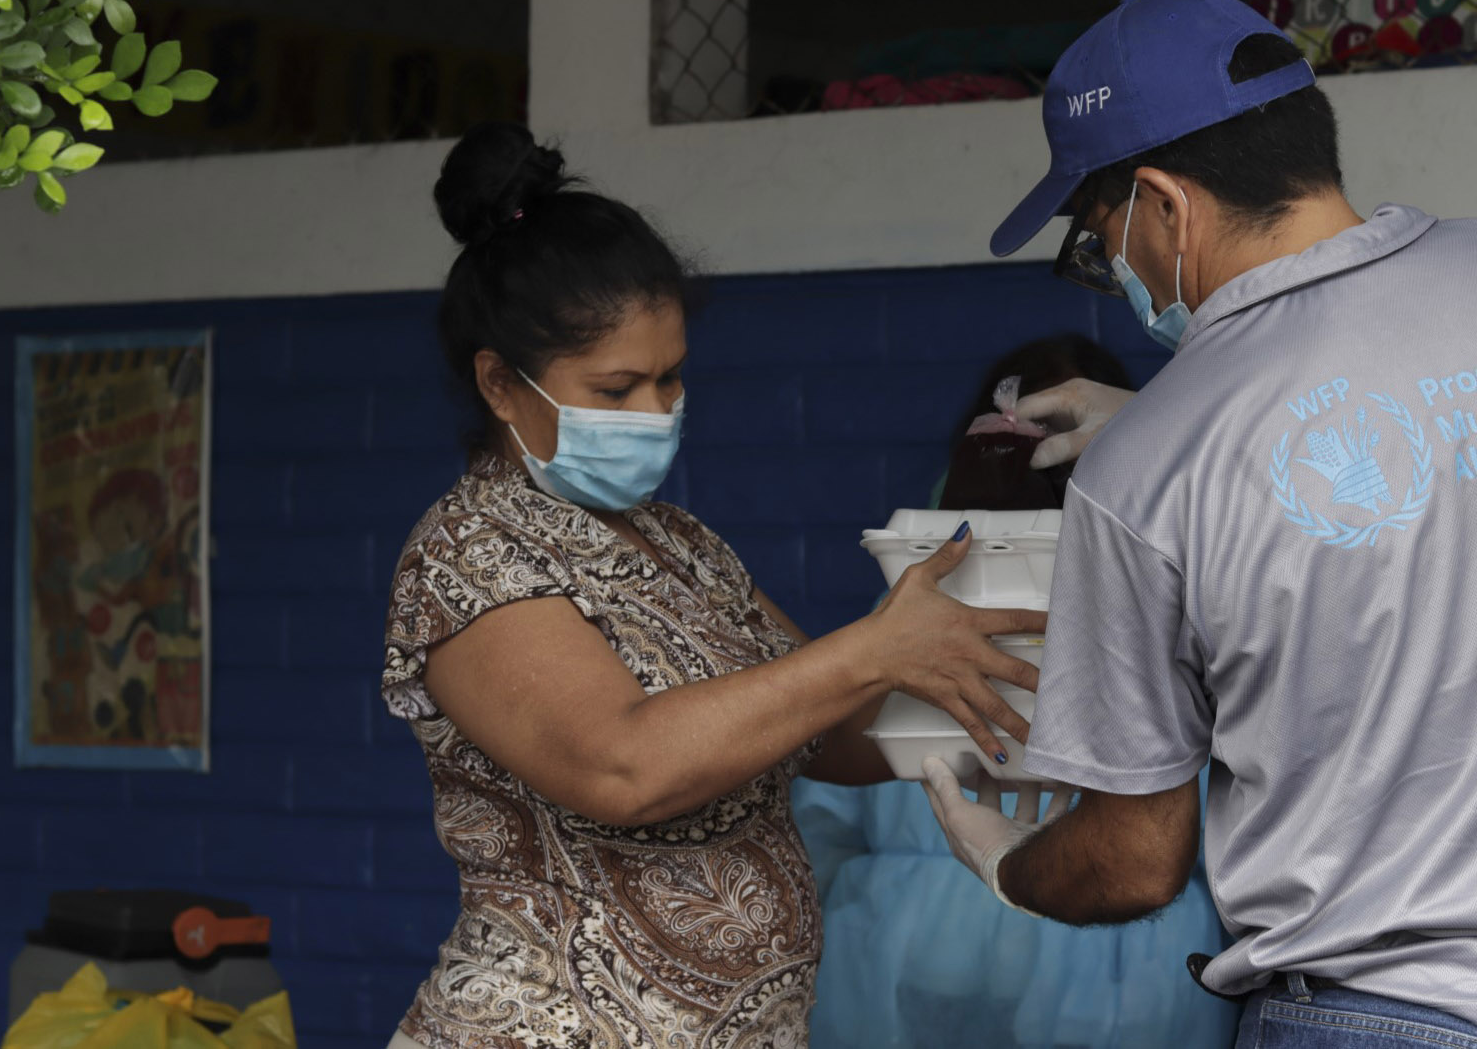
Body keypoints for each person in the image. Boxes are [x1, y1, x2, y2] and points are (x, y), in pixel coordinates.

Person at [918, 0, 1477, 1047]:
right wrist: (1184, 420)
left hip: (1373, 1021)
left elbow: (1131, 861)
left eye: (1096, 240)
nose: (1113, 276)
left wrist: (1005, 864)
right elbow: (1437, 437)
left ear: (1162, 204)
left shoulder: (1150, 472)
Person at [379, 123, 1046, 1049]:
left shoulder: (677, 542)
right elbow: (624, 768)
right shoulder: (469, 555)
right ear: (500, 382)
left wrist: (995, 687)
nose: (657, 413)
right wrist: (871, 647)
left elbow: (827, 731)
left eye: (671, 378)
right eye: (616, 390)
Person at [793, 334, 1240, 1048]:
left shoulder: (1178, 630)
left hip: (1124, 992)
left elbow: (1217, 840)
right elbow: (819, 816)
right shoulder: (892, 634)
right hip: (896, 991)